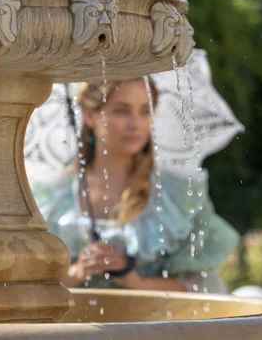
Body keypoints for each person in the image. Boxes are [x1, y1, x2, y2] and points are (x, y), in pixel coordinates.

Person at [31, 77, 240, 293]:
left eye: (145, 111)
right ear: (89, 115)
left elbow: (202, 286)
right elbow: (27, 287)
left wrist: (136, 282)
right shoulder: (52, 196)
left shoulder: (175, 194)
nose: (136, 124)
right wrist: (76, 273)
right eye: (121, 111)